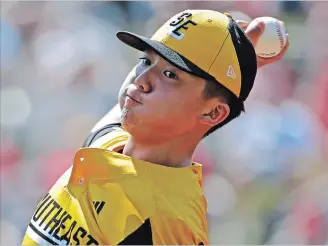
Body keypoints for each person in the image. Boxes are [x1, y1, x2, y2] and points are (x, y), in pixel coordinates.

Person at [22, 9, 289, 245]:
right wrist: (245, 57)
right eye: (147, 61)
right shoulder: (110, 142)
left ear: (213, 111)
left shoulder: (165, 224)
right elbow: (123, 104)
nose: (141, 80)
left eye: (171, 74)